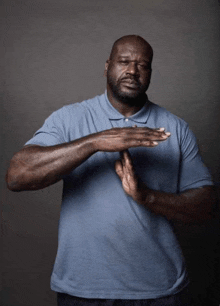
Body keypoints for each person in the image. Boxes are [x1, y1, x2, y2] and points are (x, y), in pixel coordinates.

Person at [6, 35, 216, 306]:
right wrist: (94, 142)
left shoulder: (175, 128)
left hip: (159, 292)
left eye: (143, 65)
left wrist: (147, 197)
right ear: (107, 66)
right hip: (83, 291)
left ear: (150, 72)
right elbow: (17, 175)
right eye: (124, 62)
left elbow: (207, 207)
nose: (132, 70)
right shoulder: (69, 118)